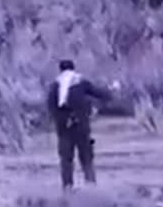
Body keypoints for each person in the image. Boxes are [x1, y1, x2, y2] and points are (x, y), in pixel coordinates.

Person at [46, 59, 115, 190]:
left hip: (64, 128)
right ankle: (91, 185)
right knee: (86, 157)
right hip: (81, 125)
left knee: (66, 160)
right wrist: (109, 95)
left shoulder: (55, 85)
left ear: (60, 70)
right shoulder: (80, 81)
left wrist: (58, 121)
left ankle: (67, 188)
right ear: (73, 68)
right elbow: (100, 93)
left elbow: (51, 107)